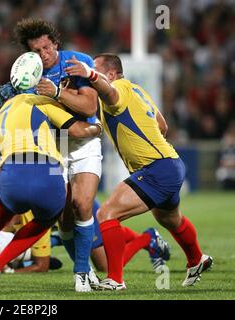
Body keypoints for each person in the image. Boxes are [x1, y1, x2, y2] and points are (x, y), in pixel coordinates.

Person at [64, 53, 213, 290]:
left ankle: (115, 279)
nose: (91, 73)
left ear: (110, 74)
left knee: (106, 214)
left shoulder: (118, 89)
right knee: (170, 218)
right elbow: (162, 126)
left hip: (157, 168)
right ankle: (197, 259)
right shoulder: (137, 90)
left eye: (96, 70)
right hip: (170, 162)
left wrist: (89, 74)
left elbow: (111, 94)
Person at [0, 83, 102, 291]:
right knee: (46, 221)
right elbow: (77, 131)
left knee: (4, 209)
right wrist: (98, 127)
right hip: (46, 170)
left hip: (11, 173)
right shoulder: (37, 101)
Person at [14, 18, 102, 292]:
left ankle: (80, 274)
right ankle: (85, 270)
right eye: (36, 51)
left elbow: (88, 105)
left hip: (84, 141)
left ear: (55, 43)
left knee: (82, 204)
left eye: (46, 47)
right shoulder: (28, 75)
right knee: (62, 217)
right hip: (53, 148)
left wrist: (57, 92)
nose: (44, 54)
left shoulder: (77, 61)